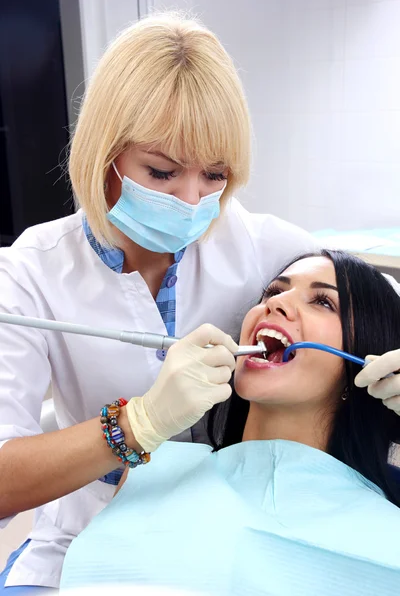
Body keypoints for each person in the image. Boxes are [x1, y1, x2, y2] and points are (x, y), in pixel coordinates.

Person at [1, 11, 400, 594]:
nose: (192, 201)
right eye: (161, 172)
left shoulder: (275, 249)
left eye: (215, 174)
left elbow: (371, 316)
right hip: (89, 539)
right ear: (102, 155)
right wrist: (136, 425)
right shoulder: (31, 272)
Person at [60, 251, 400, 596]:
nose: (277, 303)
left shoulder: (388, 535)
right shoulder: (154, 469)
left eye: (324, 302)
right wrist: (138, 421)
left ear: (365, 361)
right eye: (272, 292)